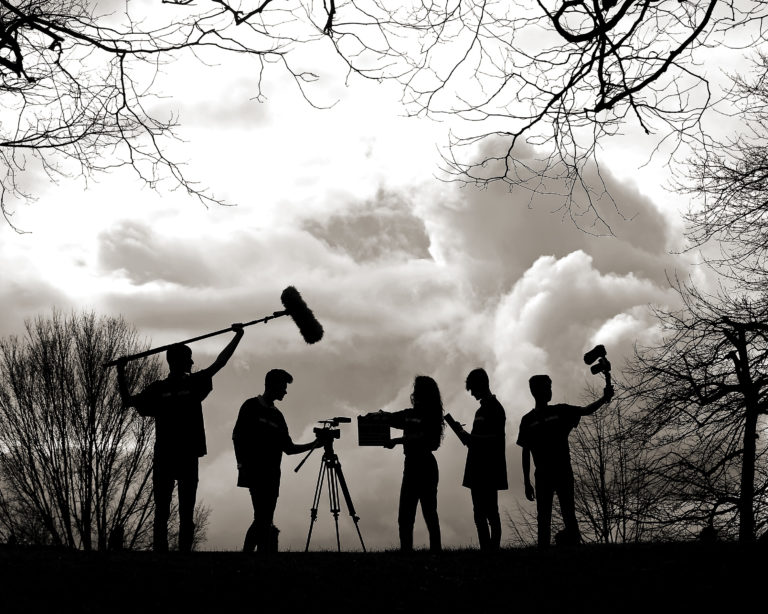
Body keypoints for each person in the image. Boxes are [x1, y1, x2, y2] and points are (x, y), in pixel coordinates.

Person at [117, 324, 245, 552]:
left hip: (180, 454)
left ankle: (179, 555)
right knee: (166, 511)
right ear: (179, 362)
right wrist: (120, 372)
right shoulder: (164, 388)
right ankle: (164, 555)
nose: (192, 363)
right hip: (171, 455)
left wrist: (238, 336)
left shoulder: (177, 386)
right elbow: (129, 402)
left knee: (181, 511)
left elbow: (221, 362)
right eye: (189, 359)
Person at [517, 374, 613, 548]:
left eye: (550, 387)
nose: (549, 390)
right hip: (543, 475)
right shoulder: (527, 420)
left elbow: (586, 410)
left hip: (562, 473)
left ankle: (573, 551)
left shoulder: (560, 411)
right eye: (546, 387)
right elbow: (525, 451)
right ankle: (544, 553)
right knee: (543, 518)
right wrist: (526, 482)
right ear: (536, 391)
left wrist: (604, 398)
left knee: (568, 514)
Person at [232, 368, 321, 553]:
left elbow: (288, 448)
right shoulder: (250, 406)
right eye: (283, 386)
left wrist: (315, 444)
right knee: (262, 517)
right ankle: (248, 554)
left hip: (272, 475)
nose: (285, 391)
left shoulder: (278, 416)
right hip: (254, 471)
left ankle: (258, 555)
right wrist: (241, 464)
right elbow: (237, 436)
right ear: (272, 385)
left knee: (264, 518)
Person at [368, 375, 445, 553]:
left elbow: (430, 441)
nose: (413, 393)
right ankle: (408, 552)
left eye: (416, 389)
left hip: (424, 466)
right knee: (406, 516)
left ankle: (433, 552)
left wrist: (397, 440)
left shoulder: (431, 416)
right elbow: (392, 418)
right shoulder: (411, 414)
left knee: (428, 513)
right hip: (412, 465)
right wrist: (377, 416)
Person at [445, 368, 508, 551]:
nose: (471, 393)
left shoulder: (496, 409)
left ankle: (492, 550)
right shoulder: (480, 411)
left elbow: (495, 439)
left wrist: (470, 438)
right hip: (477, 467)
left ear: (481, 385)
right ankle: (485, 549)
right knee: (479, 512)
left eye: (473, 389)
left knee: (491, 512)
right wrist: (464, 434)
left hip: (488, 467)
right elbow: (476, 440)